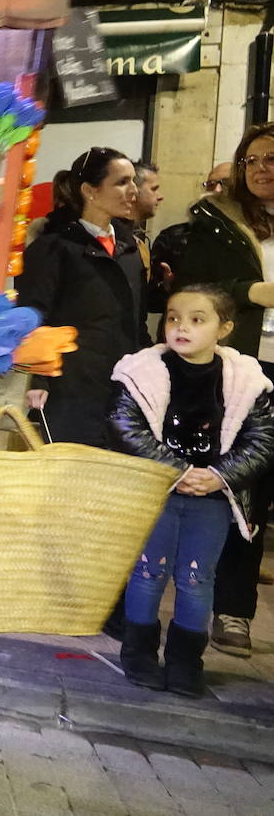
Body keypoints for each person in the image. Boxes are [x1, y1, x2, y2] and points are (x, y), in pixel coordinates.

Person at [108, 285, 274, 696]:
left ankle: (185, 661)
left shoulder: (246, 380)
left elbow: (262, 439)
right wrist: (178, 471)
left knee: (198, 579)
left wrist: (220, 475)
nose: (181, 326)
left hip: (213, 498)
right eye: (173, 317)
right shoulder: (141, 372)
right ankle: (139, 653)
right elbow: (125, 426)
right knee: (147, 572)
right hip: (157, 493)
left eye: (197, 319)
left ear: (225, 329)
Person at [173, 123, 274, 656]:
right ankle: (232, 611)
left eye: (272, 159)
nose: (261, 169)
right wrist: (254, 292)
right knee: (245, 488)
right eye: (252, 160)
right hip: (248, 370)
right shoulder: (219, 224)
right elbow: (195, 289)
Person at [17, 147, 148, 447]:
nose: (134, 191)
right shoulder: (53, 248)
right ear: (90, 190)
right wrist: (35, 380)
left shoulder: (130, 250)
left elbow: (137, 322)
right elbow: (31, 316)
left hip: (123, 387)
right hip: (69, 388)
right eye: (122, 182)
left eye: (134, 181)